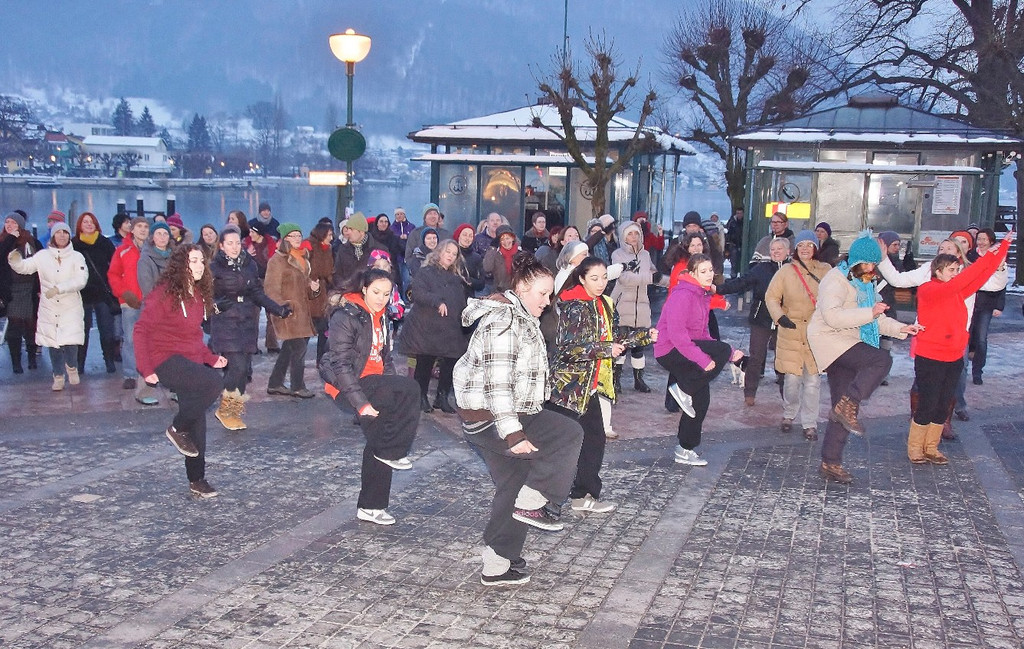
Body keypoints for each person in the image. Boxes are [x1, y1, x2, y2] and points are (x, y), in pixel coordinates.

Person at [453, 253, 584, 586]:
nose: (547, 301)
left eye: (550, 294)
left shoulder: (522, 316)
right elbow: (497, 384)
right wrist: (513, 434)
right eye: (542, 293)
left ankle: (497, 563)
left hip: (496, 415)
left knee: (515, 481)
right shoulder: (505, 322)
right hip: (492, 417)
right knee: (567, 433)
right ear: (522, 288)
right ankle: (538, 500)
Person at [808, 232, 920, 484]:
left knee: (842, 408)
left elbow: (876, 317)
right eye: (866, 263)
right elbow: (833, 317)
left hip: (848, 339)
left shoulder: (866, 282)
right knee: (881, 360)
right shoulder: (835, 279)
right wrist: (869, 312)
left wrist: (901, 328)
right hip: (829, 339)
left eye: (873, 264)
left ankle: (830, 462)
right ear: (855, 259)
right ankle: (849, 403)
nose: (870, 268)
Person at [550, 256, 654, 512]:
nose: (600, 283)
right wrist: (605, 349)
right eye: (594, 278)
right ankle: (546, 498)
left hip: (590, 387)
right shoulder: (574, 306)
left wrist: (643, 335)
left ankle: (582, 496)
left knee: (593, 440)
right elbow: (568, 349)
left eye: (604, 278)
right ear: (582, 278)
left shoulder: (604, 303)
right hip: (568, 388)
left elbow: (614, 334)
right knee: (562, 445)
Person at [320, 268, 421, 525]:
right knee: (411, 390)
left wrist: (392, 389)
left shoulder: (382, 316)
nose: (381, 299)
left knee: (381, 442)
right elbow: (340, 365)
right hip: (349, 385)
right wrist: (361, 404)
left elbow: (385, 359)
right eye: (376, 292)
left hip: (376, 384)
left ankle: (371, 506)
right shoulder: (346, 316)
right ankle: (395, 450)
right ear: (364, 289)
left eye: (387, 294)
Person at [907, 232, 1012, 465]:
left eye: (957, 270)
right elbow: (970, 276)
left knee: (943, 402)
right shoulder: (929, 289)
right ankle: (915, 447)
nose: (956, 274)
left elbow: (980, 277)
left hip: (953, 355)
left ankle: (931, 447)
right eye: (951, 270)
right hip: (930, 356)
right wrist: (988, 256)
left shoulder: (957, 291)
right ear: (938, 272)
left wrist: (1002, 249)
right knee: (928, 402)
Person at [134, 244, 227, 498]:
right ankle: (177, 427)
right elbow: (141, 330)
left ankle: (197, 479)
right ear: (180, 265)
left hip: (190, 362)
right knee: (213, 383)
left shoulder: (197, 294)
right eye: (193, 261)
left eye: (201, 261)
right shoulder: (163, 294)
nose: (199, 266)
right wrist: (146, 368)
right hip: (165, 359)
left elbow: (194, 336)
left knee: (197, 424)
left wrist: (209, 358)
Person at [655, 254, 744, 466]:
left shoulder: (702, 295)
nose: (709, 275)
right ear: (692, 273)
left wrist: (731, 353)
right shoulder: (682, 294)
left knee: (701, 400)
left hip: (687, 347)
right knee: (720, 351)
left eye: (710, 270)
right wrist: (703, 360)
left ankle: (685, 449)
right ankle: (683, 388)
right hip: (669, 350)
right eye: (703, 271)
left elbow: (703, 335)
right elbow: (677, 336)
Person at [208, 226, 291, 430]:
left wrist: (277, 309)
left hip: (246, 320)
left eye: (237, 243)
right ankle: (225, 408)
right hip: (226, 322)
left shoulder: (249, 264)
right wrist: (216, 306)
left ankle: (233, 411)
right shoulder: (214, 267)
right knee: (236, 366)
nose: (235, 247)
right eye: (230, 243)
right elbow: (205, 295)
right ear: (221, 246)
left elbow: (256, 292)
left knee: (244, 369)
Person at [764, 231, 832, 440]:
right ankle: (789, 413)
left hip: (815, 334)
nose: (805, 249)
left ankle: (810, 423)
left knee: (812, 382)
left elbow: (834, 296)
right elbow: (771, 296)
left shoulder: (826, 270)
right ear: (796, 248)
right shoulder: (786, 271)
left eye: (809, 245)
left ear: (816, 248)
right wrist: (780, 317)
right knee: (792, 380)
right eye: (801, 245)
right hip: (791, 332)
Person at [8, 222, 88, 391]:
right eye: (58, 232)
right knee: (53, 342)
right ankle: (58, 376)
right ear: (53, 236)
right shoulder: (43, 256)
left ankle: (71, 366)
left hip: (70, 305)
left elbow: (81, 280)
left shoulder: (77, 257)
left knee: (71, 340)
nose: (62, 235)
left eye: (65, 232)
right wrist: (15, 261)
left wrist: (59, 289)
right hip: (49, 307)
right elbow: (26, 267)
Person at [397, 239, 470, 413]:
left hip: (450, 327)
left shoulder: (455, 278)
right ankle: (420, 397)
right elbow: (418, 293)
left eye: (454, 254)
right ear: (439, 252)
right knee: (425, 361)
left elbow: (460, 301)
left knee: (451, 360)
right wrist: (437, 301)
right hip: (427, 325)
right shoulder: (426, 272)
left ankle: (442, 397)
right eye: (448, 252)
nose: (450, 256)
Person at [718, 237, 791, 406]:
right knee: (756, 356)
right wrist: (719, 289)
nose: (776, 252)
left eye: (779, 249)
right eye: (773, 249)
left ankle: (787, 397)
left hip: (785, 319)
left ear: (788, 252)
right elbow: (742, 282)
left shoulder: (793, 270)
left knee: (784, 358)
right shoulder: (761, 269)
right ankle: (749, 393)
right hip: (761, 318)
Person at [264, 223, 319, 398]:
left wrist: (313, 287)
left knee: (289, 350)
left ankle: (275, 383)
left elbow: (304, 286)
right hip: (288, 313)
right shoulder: (277, 260)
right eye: (292, 235)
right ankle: (297, 386)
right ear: (284, 238)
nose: (297, 239)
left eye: (299, 235)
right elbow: (271, 289)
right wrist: (283, 306)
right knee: (299, 349)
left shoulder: (302, 258)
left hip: (302, 314)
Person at [108, 216, 158, 403]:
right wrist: (123, 293)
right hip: (130, 301)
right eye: (139, 226)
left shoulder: (154, 250)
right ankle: (130, 373)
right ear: (132, 229)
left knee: (152, 339)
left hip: (152, 302)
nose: (143, 230)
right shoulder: (122, 250)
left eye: (146, 227)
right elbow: (113, 274)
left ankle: (152, 372)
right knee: (130, 339)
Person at [610, 220, 662, 393]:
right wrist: (649, 278)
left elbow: (654, 273)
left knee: (640, 345)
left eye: (636, 233)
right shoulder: (617, 255)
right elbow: (624, 278)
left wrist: (672, 281)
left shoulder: (645, 255)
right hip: (623, 304)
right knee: (621, 344)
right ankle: (615, 380)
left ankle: (639, 380)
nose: (633, 237)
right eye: (629, 234)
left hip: (642, 306)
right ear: (623, 236)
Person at [72, 212, 119, 374]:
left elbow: (115, 265)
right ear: (80, 225)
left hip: (102, 293)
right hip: (81, 294)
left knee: (106, 329)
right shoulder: (74, 244)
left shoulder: (104, 242)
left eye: (92, 222)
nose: (89, 224)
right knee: (82, 330)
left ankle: (109, 360)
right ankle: (80, 363)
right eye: (85, 222)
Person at [1, 212, 41, 374]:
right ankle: (16, 362)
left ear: (20, 225)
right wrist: (10, 238)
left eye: (13, 223)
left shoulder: (32, 242)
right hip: (11, 290)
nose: (9, 225)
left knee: (31, 325)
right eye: (7, 222)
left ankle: (32, 357)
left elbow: (41, 264)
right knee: (15, 326)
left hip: (30, 289)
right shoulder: (3, 241)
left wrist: (40, 288)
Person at [969, 228, 1007, 386]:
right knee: (966, 336)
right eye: (979, 239)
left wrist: (999, 306)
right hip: (970, 301)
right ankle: (961, 368)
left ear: (991, 241)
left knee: (981, 338)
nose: (981, 242)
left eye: (984, 239)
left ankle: (977, 371)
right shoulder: (971, 256)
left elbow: (1002, 283)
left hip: (987, 303)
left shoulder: (997, 257)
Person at [333, 211, 388, 290]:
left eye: (351, 229)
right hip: (348, 294)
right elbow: (337, 275)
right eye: (347, 229)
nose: (348, 232)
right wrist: (344, 287)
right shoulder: (343, 249)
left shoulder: (379, 250)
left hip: (372, 295)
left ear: (361, 232)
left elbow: (388, 275)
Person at [305, 222, 336, 364]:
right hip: (311, 290)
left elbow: (329, 269)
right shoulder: (309, 247)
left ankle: (321, 359)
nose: (331, 238)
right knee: (307, 328)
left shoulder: (328, 249)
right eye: (329, 235)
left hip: (323, 290)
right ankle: (297, 359)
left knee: (324, 328)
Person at [137, 221, 174, 297]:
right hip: (155, 301)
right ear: (152, 237)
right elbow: (147, 288)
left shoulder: (176, 256)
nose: (162, 237)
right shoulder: (145, 259)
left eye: (165, 234)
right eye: (158, 234)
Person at [482, 225, 519, 292]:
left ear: (513, 238)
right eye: (502, 239)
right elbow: (487, 268)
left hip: (517, 292)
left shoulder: (521, 254)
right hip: (500, 292)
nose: (505, 242)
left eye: (507, 238)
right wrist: (492, 248)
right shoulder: (496, 255)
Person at [454, 223, 485, 295]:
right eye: (464, 235)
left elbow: (481, 283)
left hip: (469, 296)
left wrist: (468, 280)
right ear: (458, 236)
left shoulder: (476, 257)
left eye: (470, 236)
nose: (467, 238)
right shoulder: (451, 254)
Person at [724, 207, 744, 277]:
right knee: (734, 262)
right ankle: (733, 276)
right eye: (738, 213)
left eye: (740, 213)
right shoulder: (732, 223)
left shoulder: (745, 223)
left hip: (743, 245)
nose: (739, 215)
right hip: (734, 245)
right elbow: (728, 235)